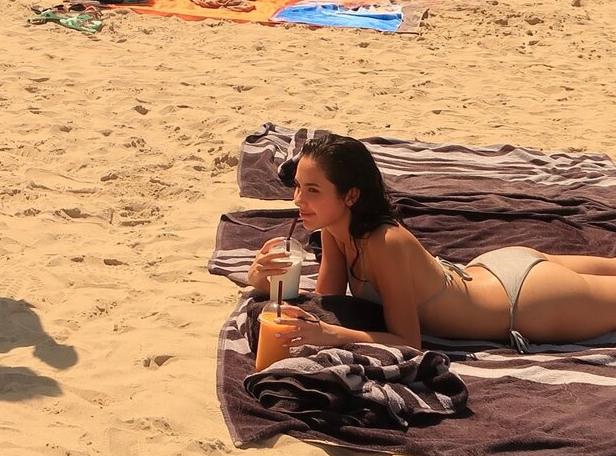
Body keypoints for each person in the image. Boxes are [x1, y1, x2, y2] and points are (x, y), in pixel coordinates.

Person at [248, 133, 616, 351]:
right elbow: (328, 304)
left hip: (527, 301)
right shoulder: (333, 230)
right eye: (298, 186)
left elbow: (408, 341)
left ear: (351, 195)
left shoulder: (385, 242)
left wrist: (330, 335)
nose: (298, 199)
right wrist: (263, 281)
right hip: (489, 268)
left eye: (312, 190)